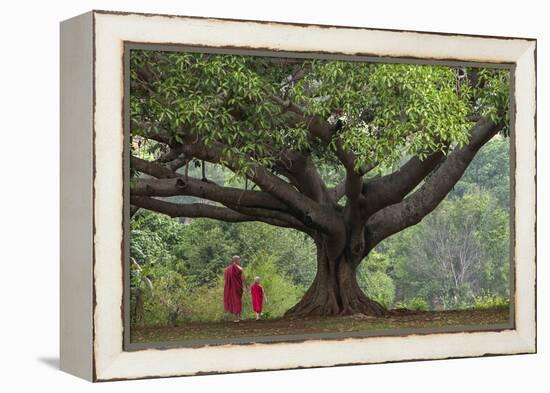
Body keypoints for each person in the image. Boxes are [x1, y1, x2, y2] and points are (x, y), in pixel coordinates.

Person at [223, 255, 244, 322]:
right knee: (237, 301)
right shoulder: (240, 268)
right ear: (236, 260)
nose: (239, 261)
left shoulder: (227, 269)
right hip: (237, 288)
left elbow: (225, 279)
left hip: (234, 288)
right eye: (239, 260)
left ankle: (238, 318)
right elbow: (243, 278)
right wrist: (245, 286)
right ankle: (238, 317)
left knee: (236, 301)